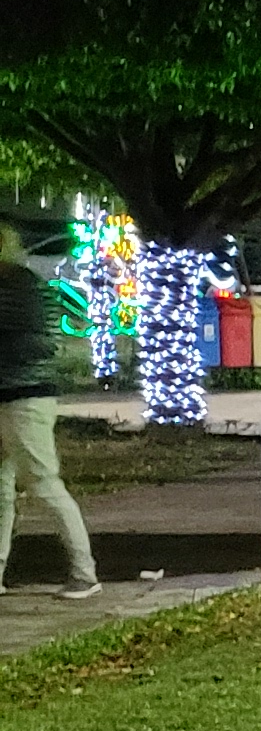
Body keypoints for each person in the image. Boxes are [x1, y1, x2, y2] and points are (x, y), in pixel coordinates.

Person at [0, 230, 99, 600]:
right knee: (5, 488)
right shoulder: (26, 285)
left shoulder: (15, 287)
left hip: (23, 398)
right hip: (20, 396)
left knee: (42, 483)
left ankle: (84, 573)